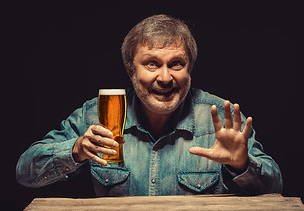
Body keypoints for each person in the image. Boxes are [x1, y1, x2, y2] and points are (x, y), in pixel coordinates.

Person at [16, 14, 282, 196]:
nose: (165, 78)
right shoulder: (94, 114)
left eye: (176, 64)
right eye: (152, 64)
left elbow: (275, 188)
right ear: (131, 70)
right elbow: (25, 172)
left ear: (190, 69)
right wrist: (75, 150)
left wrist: (242, 165)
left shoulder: (221, 119)